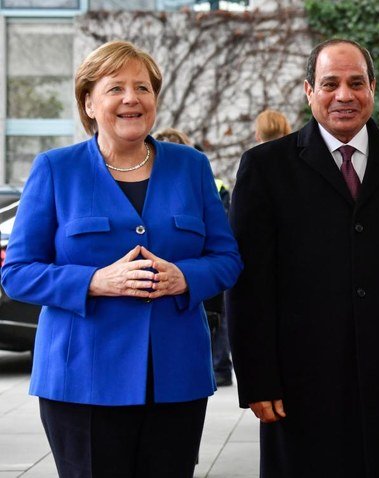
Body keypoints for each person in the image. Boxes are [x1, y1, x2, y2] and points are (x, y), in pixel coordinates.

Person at [1, 40, 243, 477]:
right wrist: (95, 281)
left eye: (143, 88)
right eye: (115, 88)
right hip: (81, 380)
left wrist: (184, 277)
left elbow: (226, 257)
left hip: (176, 376)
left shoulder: (191, 166)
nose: (132, 98)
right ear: (89, 102)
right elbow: (17, 273)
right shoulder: (56, 169)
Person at [227, 38, 379, 477]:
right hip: (297, 387)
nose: (344, 95)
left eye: (356, 83)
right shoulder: (265, 168)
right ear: (309, 90)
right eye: (330, 83)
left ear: (373, 88)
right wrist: (257, 379)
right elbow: (250, 285)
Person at [153, 127, 235, 387]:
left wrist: (187, 275)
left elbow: (226, 252)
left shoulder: (199, 173)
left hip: (195, 296)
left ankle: (221, 367)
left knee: (218, 321)